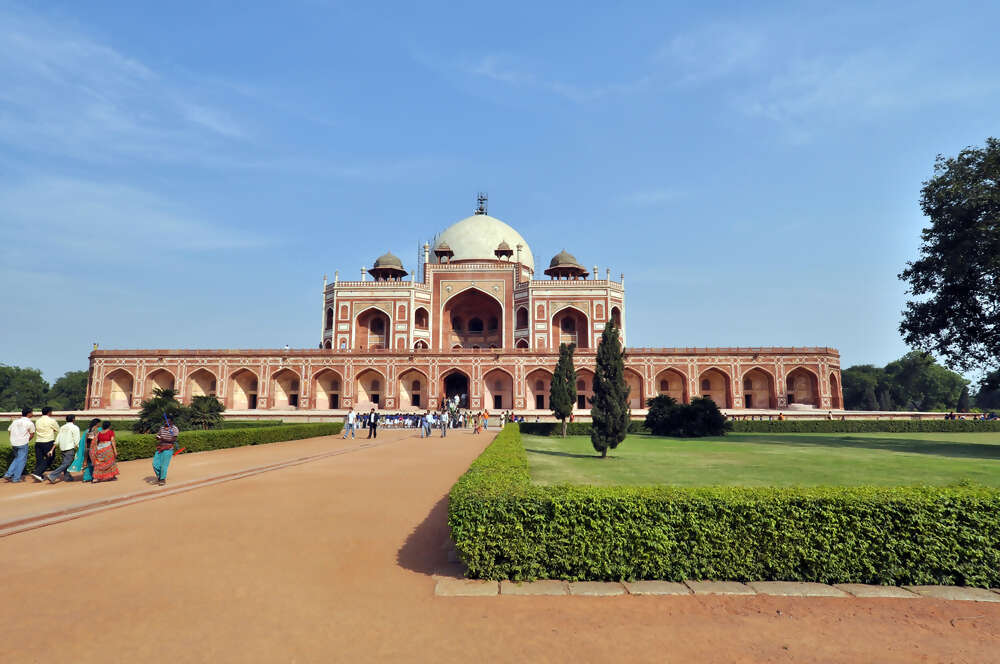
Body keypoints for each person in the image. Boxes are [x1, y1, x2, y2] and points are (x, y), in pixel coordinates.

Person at [3, 408, 35, 483]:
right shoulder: (30, 423)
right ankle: (16, 478)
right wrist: (26, 440)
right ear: (29, 414)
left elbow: (9, 430)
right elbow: (32, 434)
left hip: (14, 442)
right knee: (22, 461)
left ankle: (8, 474)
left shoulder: (15, 421)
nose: (32, 414)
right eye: (32, 412)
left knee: (17, 458)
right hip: (22, 443)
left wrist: (12, 439)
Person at [46, 414, 80, 483]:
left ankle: (68, 477)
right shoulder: (75, 427)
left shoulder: (62, 427)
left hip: (62, 447)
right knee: (66, 463)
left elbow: (57, 439)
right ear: (73, 419)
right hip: (69, 447)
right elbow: (77, 440)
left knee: (65, 463)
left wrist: (52, 449)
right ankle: (52, 475)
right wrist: (80, 448)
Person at [31, 406, 61, 482]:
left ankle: (39, 475)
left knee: (40, 460)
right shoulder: (51, 420)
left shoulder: (38, 421)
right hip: (48, 441)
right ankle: (37, 473)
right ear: (49, 412)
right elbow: (58, 430)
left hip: (38, 442)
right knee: (50, 458)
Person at [153, 416, 179, 486]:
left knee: (164, 465)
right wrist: (158, 437)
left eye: (167, 421)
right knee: (155, 464)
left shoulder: (174, 429)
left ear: (171, 422)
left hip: (168, 449)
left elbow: (173, 440)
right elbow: (158, 435)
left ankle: (162, 479)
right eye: (165, 421)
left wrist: (163, 439)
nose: (165, 422)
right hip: (160, 448)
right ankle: (159, 477)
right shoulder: (161, 428)